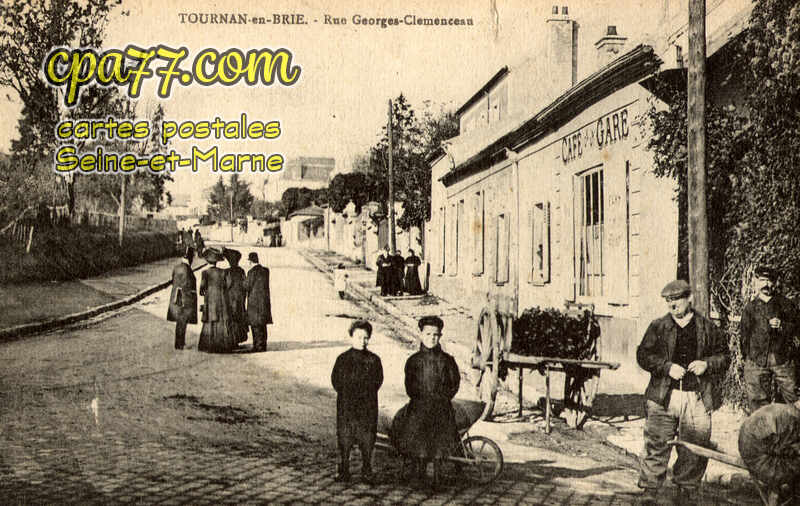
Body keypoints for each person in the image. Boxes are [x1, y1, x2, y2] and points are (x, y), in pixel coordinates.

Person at [636, 280, 730, 503]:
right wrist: (667, 367)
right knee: (657, 443)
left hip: (697, 397)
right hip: (663, 396)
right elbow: (643, 355)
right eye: (668, 301)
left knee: (694, 448)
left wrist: (706, 364)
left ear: (690, 299)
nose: (672, 305)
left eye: (676, 299)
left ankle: (686, 491)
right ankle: (650, 491)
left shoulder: (707, 328)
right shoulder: (658, 326)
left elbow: (724, 356)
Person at [392, 315, 460, 489]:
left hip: (441, 407)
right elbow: (410, 385)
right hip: (419, 407)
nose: (432, 338)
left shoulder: (447, 360)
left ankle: (437, 477)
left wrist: (443, 397)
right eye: (428, 334)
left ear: (440, 336)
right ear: (421, 334)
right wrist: (420, 398)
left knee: (439, 443)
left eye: (435, 335)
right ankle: (420, 475)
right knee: (419, 441)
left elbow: (454, 383)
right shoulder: (413, 361)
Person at [331, 320, 384, 483]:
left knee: (367, 439)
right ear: (351, 337)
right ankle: (344, 470)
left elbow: (378, 380)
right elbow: (335, 380)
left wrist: (366, 393)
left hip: (367, 407)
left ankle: (367, 469)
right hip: (347, 406)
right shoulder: (343, 359)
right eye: (358, 337)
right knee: (345, 438)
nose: (362, 341)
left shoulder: (374, 360)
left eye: (366, 338)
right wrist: (348, 392)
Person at [740, 265, 799, 413]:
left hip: (782, 360)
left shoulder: (786, 304)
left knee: (794, 399)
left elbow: (797, 328)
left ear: (775, 282)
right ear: (756, 282)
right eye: (763, 280)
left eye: (770, 280)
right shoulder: (750, 308)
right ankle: (763, 434)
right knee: (757, 405)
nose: (766, 284)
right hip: (756, 361)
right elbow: (744, 336)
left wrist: (782, 326)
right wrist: (748, 358)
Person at [198, 247, 233, 353]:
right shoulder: (224, 272)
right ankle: (222, 345)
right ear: (217, 262)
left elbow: (202, 288)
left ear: (208, 261)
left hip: (210, 301)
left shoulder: (205, 273)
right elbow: (229, 284)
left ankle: (209, 345)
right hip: (222, 301)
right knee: (221, 321)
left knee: (210, 321)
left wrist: (203, 292)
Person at [166, 247, 197, 350]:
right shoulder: (187, 270)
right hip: (184, 298)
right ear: (190, 258)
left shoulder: (177, 267)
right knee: (182, 321)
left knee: (180, 320)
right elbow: (189, 285)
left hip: (176, 296)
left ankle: (179, 342)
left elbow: (173, 280)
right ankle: (180, 343)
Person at [245, 252, 272, 352]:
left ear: (250, 261)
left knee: (255, 325)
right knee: (263, 324)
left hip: (254, 303)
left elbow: (246, 286)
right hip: (264, 301)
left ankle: (257, 346)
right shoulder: (265, 270)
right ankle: (263, 345)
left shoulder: (251, 272)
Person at [223, 248, 248, 347]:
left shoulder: (227, 272)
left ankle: (232, 340)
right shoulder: (241, 271)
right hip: (240, 298)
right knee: (239, 318)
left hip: (231, 298)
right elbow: (245, 284)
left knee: (231, 319)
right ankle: (237, 340)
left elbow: (226, 285)